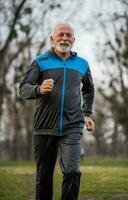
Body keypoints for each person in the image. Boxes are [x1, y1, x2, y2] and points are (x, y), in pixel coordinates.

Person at [19, 23, 95, 200]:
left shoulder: (82, 64)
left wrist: (87, 113)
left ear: (73, 40)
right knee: (44, 178)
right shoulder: (40, 62)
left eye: (69, 35)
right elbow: (23, 88)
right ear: (52, 38)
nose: (64, 38)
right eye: (60, 34)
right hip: (44, 126)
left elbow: (89, 90)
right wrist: (38, 89)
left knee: (72, 172)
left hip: (73, 126)